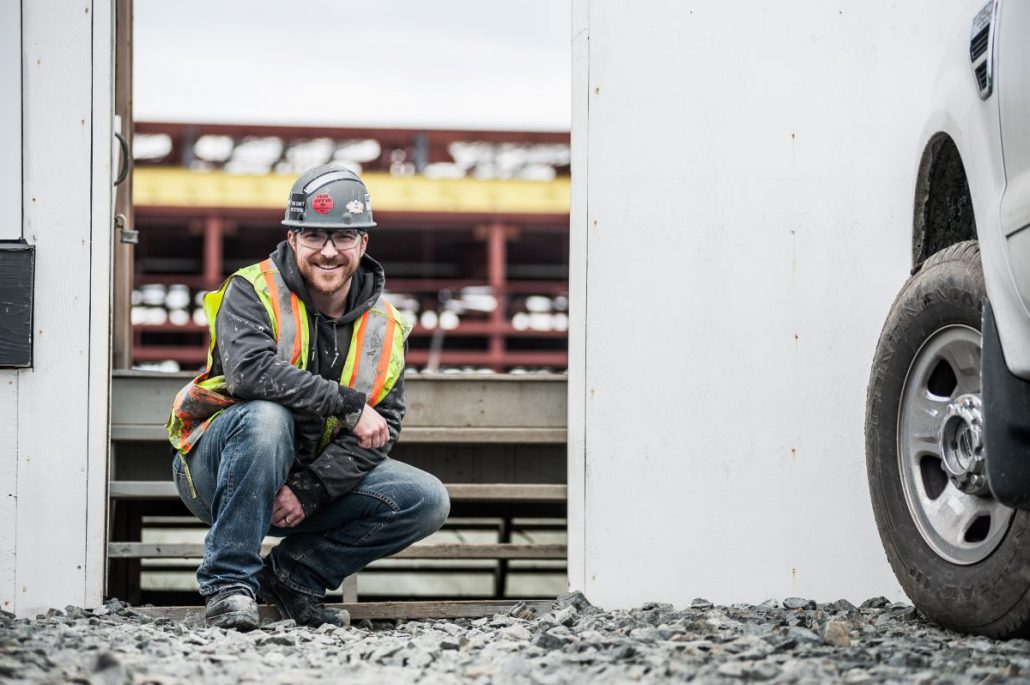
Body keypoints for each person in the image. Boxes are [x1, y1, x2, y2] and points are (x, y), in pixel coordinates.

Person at [165, 165, 450, 630]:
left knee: (426, 498)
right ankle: (230, 584)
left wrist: (310, 488)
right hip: (216, 472)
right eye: (315, 236)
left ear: (363, 244)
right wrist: (347, 405)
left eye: (343, 238)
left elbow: (385, 426)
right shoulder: (251, 289)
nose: (329, 252)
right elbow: (249, 373)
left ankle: (294, 577)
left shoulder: (387, 325)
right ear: (293, 237)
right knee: (265, 416)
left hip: (305, 483)